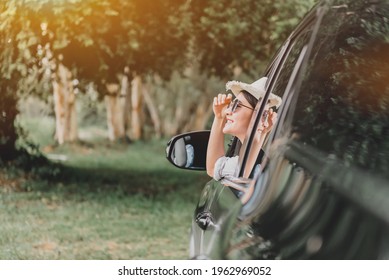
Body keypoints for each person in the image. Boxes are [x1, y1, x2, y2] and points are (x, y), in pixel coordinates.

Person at [206, 77, 282, 180]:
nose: (227, 111)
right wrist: (219, 117)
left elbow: (239, 171)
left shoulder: (252, 166)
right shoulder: (256, 160)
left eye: (236, 105)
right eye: (231, 105)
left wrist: (260, 130)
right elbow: (213, 168)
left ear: (258, 116)